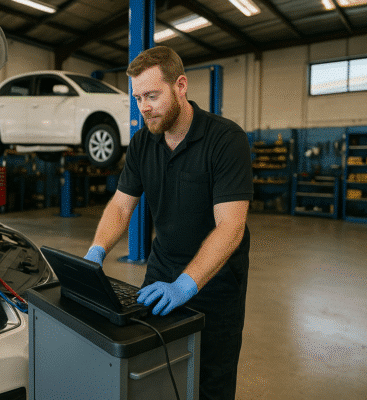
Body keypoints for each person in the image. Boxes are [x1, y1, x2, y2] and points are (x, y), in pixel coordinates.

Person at [83, 46, 253, 400]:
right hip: (159, 278)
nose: (143, 106)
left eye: (152, 95)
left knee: (210, 383)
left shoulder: (226, 140)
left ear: (181, 86)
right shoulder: (143, 142)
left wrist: (186, 285)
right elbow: (120, 206)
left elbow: (231, 227)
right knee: (156, 375)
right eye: (138, 97)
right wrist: (95, 252)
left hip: (215, 285)